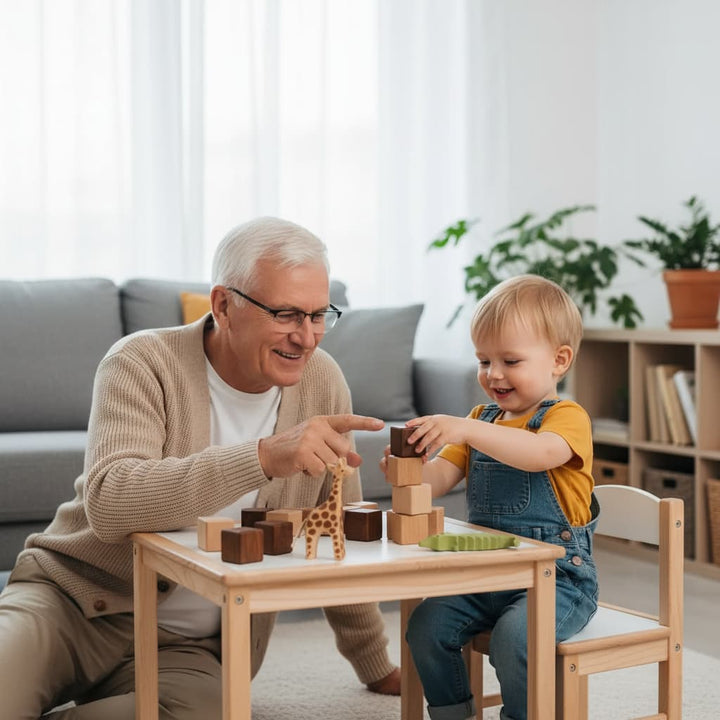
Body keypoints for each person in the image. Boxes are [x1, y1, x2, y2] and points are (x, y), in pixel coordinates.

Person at [0, 216, 401, 719]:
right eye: (286, 314)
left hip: (188, 652)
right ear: (223, 305)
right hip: (72, 605)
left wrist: (373, 663)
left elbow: (335, 524)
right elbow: (111, 501)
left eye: (320, 315)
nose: (307, 338)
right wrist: (262, 457)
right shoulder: (142, 361)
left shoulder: (322, 382)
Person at [382, 274, 599, 720]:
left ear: (559, 360)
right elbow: (440, 477)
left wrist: (466, 428)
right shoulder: (482, 418)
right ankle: (453, 712)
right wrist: (407, 472)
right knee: (425, 626)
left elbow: (539, 456)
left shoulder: (566, 419)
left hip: (557, 581)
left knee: (515, 639)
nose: (493, 373)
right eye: (483, 360)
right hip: (487, 573)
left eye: (510, 360)